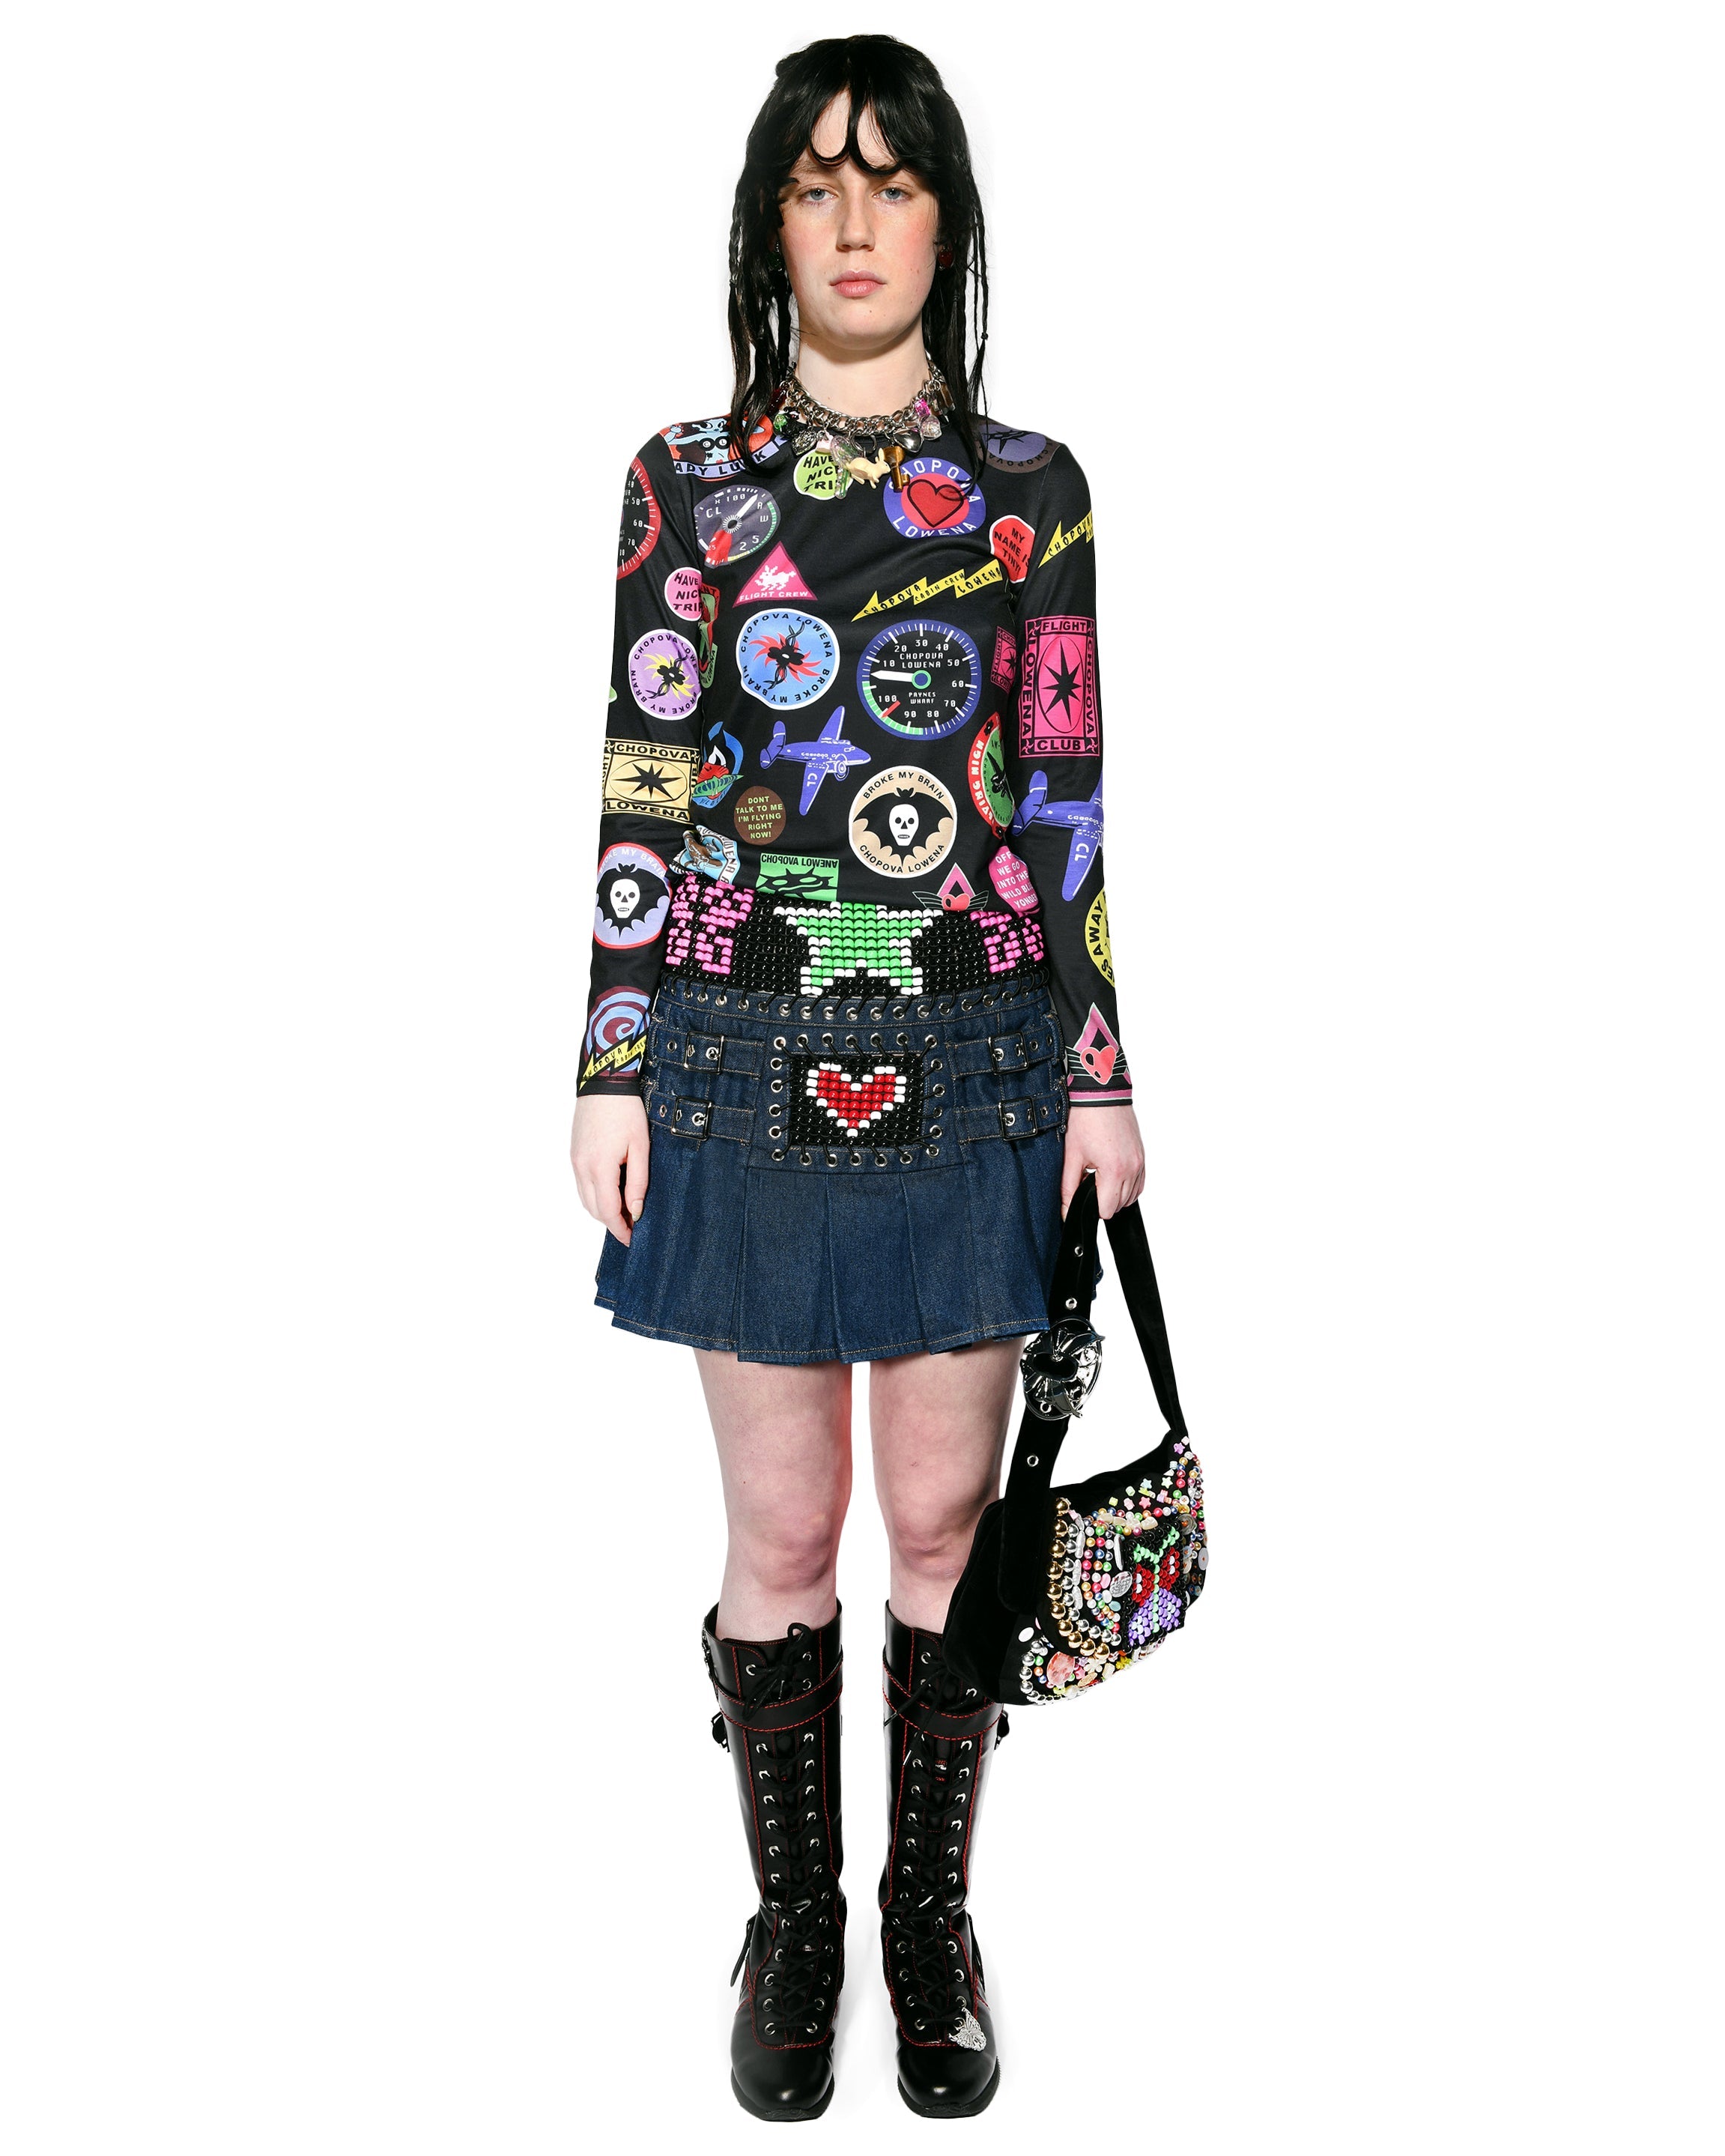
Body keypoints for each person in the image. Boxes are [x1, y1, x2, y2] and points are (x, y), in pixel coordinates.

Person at [569, 35, 1143, 2121]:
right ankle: (796, 1927)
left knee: (937, 1526)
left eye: (891, 182)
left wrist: (1099, 1074)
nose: (855, 220)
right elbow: (648, 769)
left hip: (979, 1051)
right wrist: (612, 1055)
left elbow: (1063, 796)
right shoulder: (683, 483)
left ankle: (928, 1920)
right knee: (787, 1526)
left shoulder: (1029, 493)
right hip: (731, 1053)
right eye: (816, 184)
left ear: (947, 221)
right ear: (769, 228)